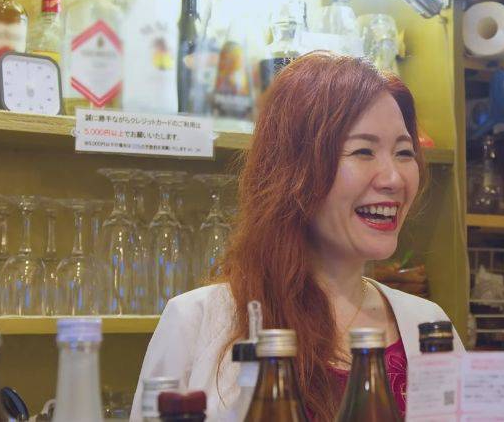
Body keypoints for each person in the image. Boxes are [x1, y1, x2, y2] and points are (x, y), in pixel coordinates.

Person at [130, 52, 463, 421]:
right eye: (363, 151)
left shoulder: (428, 325)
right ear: (294, 170)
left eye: (404, 153)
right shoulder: (199, 320)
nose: (394, 178)